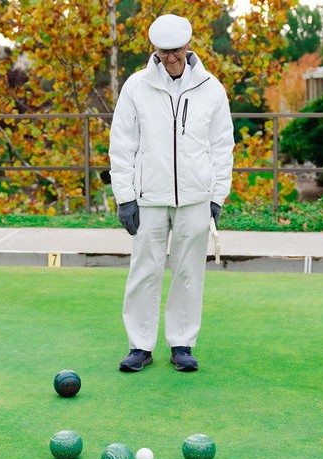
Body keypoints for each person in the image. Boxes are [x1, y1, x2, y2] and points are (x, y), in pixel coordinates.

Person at [108, 13, 235, 373]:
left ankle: (182, 344)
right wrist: (125, 196)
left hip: (196, 198)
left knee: (188, 272)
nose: (169, 58)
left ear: (188, 46)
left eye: (175, 51)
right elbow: (122, 145)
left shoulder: (211, 88)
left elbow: (222, 145)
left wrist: (217, 197)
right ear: (154, 50)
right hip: (147, 198)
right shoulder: (135, 86)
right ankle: (140, 346)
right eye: (162, 52)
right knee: (143, 270)